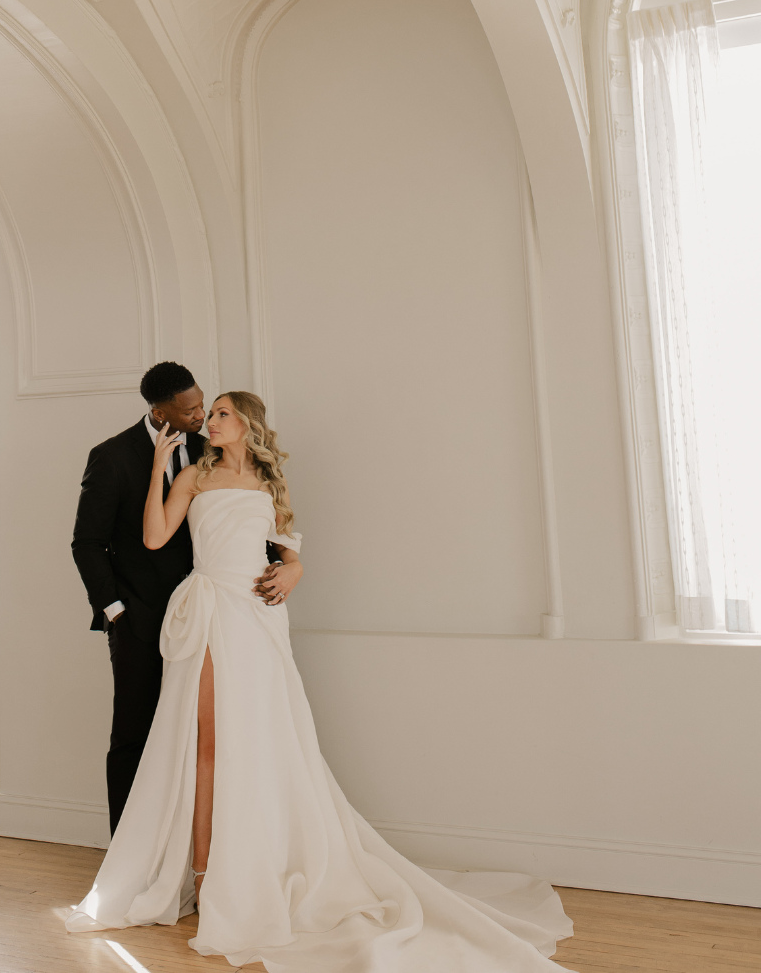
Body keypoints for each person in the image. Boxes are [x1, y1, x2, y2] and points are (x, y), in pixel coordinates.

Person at [67, 391, 574, 972]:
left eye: (222, 413)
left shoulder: (268, 484)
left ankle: (256, 866)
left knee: (264, 743)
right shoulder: (195, 477)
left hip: (259, 617)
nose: (211, 421)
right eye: (210, 415)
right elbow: (155, 537)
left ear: (248, 424)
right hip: (210, 615)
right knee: (206, 746)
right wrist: (160, 464)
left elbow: (289, 549)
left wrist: (296, 569)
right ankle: (205, 878)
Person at [71, 363, 288, 834]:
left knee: (209, 731)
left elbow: (248, 519)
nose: (201, 416)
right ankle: (130, 852)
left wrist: (287, 565)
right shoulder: (111, 456)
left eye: (204, 405)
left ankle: (200, 848)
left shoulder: (209, 446)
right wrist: (115, 611)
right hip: (140, 617)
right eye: (190, 410)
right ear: (159, 409)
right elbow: (87, 543)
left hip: (218, 613)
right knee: (136, 733)